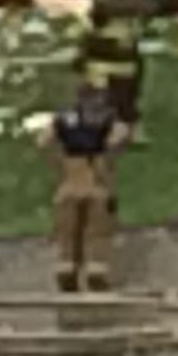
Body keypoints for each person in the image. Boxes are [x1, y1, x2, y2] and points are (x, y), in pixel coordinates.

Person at [46, 81, 125, 294]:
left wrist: (58, 164)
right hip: (94, 181)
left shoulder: (63, 118)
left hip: (69, 181)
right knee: (97, 227)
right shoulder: (106, 119)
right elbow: (116, 139)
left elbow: (44, 140)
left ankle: (67, 265)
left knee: (67, 228)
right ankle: (96, 266)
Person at [77, 0, 146, 139]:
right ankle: (134, 132)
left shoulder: (103, 0)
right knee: (127, 99)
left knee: (96, 96)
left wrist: (80, 54)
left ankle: (98, 130)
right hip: (129, 58)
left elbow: (93, 28)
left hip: (103, 58)